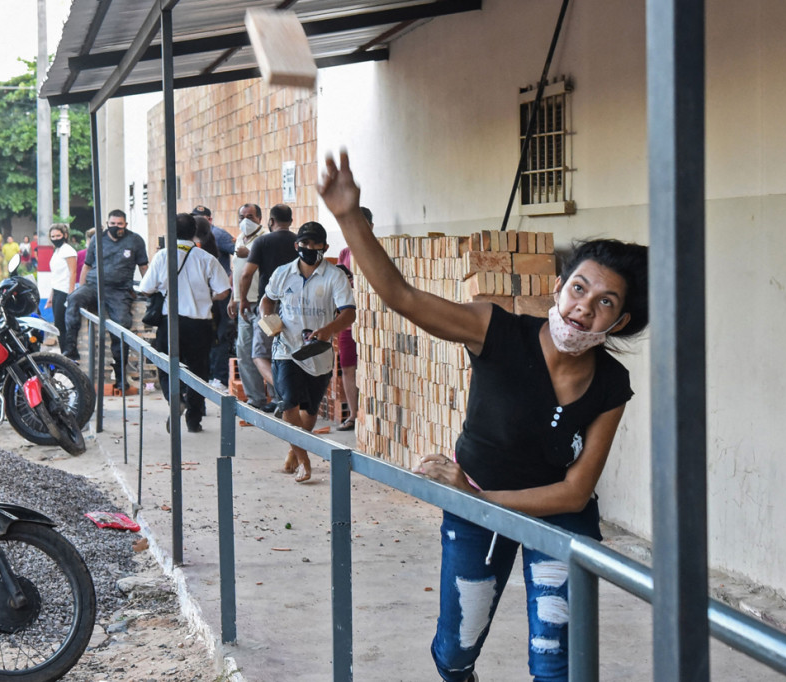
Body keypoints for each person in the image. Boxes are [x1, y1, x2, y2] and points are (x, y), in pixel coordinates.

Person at [318, 151, 650, 682]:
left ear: (620, 320)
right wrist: (348, 217)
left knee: (556, 662)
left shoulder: (611, 384)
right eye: (580, 288)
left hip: (553, 517)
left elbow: (573, 492)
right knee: (455, 652)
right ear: (560, 286)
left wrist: (479, 500)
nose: (585, 307)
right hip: (477, 509)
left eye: (606, 302)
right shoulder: (496, 331)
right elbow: (402, 296)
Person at [259, 221, 355, 482]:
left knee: (310, 411)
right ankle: (304, 460)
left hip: (317, 353)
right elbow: (267, 299)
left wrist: (329, 329)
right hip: (286, 348)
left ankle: (294, 450)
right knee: (289, 402)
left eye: (315, 244)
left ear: (324, 246)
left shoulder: (334, 276)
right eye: (304, 243)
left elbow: (349, 313)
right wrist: (268, 318)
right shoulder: (283, 273)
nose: (309, 248)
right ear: (296, 245)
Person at [138, 213, 231, 433]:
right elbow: (224, 290)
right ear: (194, 232)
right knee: (198, 371)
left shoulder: (162, 256)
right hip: (200, 324)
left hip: (170, 323)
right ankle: (194, 419)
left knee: (165, 366)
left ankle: (175, 399)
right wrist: (206, 296)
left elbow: (145, 288)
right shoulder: (206, 258)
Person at [65, 210, 149, 391]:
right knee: (74, 300)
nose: (116, 227)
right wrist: (80, 287)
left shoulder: (135, 240)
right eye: (112, 223)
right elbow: (87, 266)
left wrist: (148, 290)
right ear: (107, 223)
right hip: (94, 286)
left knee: (121, 325)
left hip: (119, 290)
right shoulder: (98, 239)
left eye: (120, 224)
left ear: (125, 224)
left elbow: (143, 267)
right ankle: (70, 349)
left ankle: (120, 376)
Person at [235, 204, 297, 411]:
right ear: (291, 220)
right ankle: (281, 398)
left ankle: (282, 394)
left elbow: (246, 274)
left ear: (269, 221)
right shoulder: (298, 242)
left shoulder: (262, 241)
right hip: (295, 306)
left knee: (260, 354)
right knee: (284, 352)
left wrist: (242, 299)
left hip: (268, 305)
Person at [226, 202, 271, 410]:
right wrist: (233, 298)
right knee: (244, 351)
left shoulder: (264, 239)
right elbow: (237, 272)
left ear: (260, 219)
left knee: (267, 352)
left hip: (262, 304)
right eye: (242, 216)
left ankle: (277, 397)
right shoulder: (240, 241)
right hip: (243, 304)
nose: (246, 221)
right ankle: (256, 398)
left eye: (251, 216)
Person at [334, 206, 373, 431]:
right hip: (349, 318)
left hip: (372, 320)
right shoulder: (345, 253)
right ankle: (353, 414)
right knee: (348, 366)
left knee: (369, 366)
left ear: (371, 226)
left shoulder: (378, 251)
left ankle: (369, 415)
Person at [191, 205, 235, 389]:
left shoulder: (219, 235)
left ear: (209, 219)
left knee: (220, 335)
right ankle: (207, 374)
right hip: (201, 295)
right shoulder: (189, 238)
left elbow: (240, 257)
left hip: (219, 293)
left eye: (202, 218)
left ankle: (220, 377)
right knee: (204, 335)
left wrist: (230, 280)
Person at [43, 223, 78, 355]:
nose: (55, 238)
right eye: (53, 236)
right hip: (57, 291)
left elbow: (73, 272)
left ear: (65, 235)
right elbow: (56, 276)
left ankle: (69, 355)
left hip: (65, 292)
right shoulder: (57, 251)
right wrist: (51, 296)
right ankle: (65, 354)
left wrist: (70, 294)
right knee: (58, 325)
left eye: (58, 235)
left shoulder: (68, 250)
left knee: (63, 326)